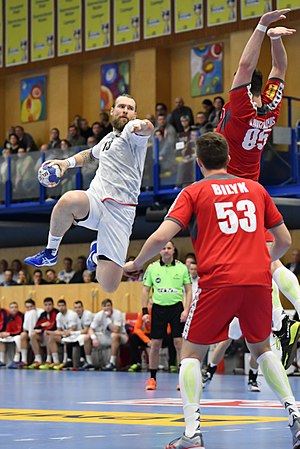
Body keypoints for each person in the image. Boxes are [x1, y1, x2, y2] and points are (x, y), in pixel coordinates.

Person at [124, 132, 300, 449]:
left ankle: (192, 433)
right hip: (258, 280)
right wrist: (260, 261)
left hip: (218, 282)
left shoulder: (194, 192)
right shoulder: (256, 189)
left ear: (199, 162)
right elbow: (284, 241)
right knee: (262, 350)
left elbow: (162, 236)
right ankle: (296, 415)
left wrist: (136, 262)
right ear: (229, 159)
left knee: (191, 354)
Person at [215, 8, 300, 367]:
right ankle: (284, 319)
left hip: (231, 192)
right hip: (255, 189)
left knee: (256, 263)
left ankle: (279, 323)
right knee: (268, 260)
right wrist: (276, 42)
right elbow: (279, 70)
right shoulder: (269, 107)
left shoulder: (241, 108)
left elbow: (246, 67)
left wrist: (263, 27)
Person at [24, 94, 154, 293]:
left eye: (130, 108)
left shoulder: (134, 135)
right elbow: (90, 155)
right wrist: (65, 163)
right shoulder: (109, 139)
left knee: (109, 285)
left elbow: (148, 129)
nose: (125, 110)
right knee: (68, 200)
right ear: (112, 111)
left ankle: (95, 255)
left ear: (134, 114)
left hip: (120, 212)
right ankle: (50, 251)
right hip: (95, 200)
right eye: (121, 106)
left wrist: (143, 125)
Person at [142, 241, 192, 390]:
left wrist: (186, 310)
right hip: (158, 309)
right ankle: (152, 378)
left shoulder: (182, 268)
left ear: (173, 250)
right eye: (163, 248)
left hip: (176, 308)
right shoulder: (152, 268)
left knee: (179, 344)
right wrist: (145, 311)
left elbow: (188, 290)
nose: (166, 251)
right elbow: (145, 290)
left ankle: (181, 379)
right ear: (160, 251)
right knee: (155, 345)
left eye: (169, 248)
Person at [85, 298, 128, 371]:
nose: (107, 308)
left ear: (111, 306)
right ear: (102, 307)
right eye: (104, 306)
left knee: (114, 335)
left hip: (121, 336)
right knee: (86, 337)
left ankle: (112, 363)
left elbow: (116, 330)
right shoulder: (99, 314)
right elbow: (91, 329)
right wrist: (94, 338)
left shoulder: (117, 313)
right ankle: (90, 363)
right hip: (106, 336)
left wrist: (107, 318)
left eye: (108, 306)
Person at [28, 297, 58, 369]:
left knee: (47, 333)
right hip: (43, 335)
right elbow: (36, 327)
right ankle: (38, 359)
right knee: (33, 335)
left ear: (53, 305)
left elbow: (54, 326)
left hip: (54, 335)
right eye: (46, 305)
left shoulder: (56, 313)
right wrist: (42, 326)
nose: (48, 307)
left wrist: (42, 329)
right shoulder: (43, 314)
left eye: (49, 304)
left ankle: (48, 359)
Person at [0, 302, 24, 369]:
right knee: (1, 338)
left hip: (19, 334)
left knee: (18, 338)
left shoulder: (21, 316)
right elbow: (7, 328)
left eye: (15, 307)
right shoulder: (8, 317)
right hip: (11, 334)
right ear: (9, 309)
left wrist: (9, 334)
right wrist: (4, 334)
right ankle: (2, 360)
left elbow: (20, 330)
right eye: (12, 307)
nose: (14, 309)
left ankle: (16, 360)